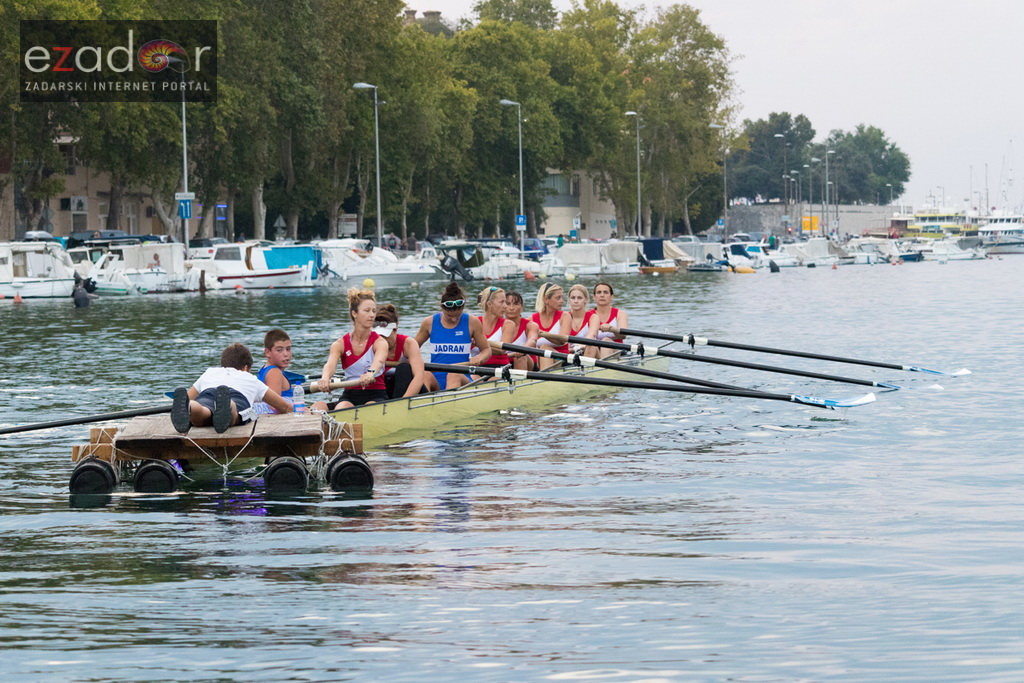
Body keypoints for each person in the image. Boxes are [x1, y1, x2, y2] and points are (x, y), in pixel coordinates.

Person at [171, 342, 293, 434]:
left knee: (203, 413)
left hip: (208, 394)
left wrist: (187, 402)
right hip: (237, 397)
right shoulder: (249, 378)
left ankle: (191, 407)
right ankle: (229, 405)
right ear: (246, 368)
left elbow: (188, 397)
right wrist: (306, 409)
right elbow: (283, 406)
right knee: (235, 415)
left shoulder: (210, 373)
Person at [312, 288, 390, 409]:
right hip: (350, 394)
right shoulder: (339, 344)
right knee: (340, 408)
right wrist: (325, 378)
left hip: (376, 394)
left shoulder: (380, 342)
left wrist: (370, 373)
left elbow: (379, 361)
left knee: (369, 410)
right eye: (367, 311)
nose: (372, 315)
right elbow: (330, 365)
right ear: (354, 313)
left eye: (374, 311)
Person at [414, 282, 492, 390]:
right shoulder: (429, 322)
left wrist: (479, 358)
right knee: (424, 374)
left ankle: (445, 402)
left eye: (458, 315)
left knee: (453, 373)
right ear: (442, 308)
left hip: (461, 377)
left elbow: (487, 350)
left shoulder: (472, 322)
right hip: (436, 379)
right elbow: (412, 348)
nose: (454, 319)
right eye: (449, 316)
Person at [374, 303, 433, 397]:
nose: (382, 340)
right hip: (384, 390)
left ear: (395, 329)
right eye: (379, 336)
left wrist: (401, 403)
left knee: (404, 368)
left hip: (408, 391)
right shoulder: (371, 344)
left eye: (385, 335)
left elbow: (419, 377)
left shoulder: (409, 344)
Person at [470, 285, 517, 379]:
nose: (506, 306)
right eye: (502, 302)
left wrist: (478, 343)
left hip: (500, 369)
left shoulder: (508, 324)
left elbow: (501, 350)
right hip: (476, 369)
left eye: (505, 302)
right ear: (489, 304)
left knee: (486, 383)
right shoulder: (473, 323)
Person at [253, 328, 297, 414]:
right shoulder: (274, 372)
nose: (286, 354)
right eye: (279, 350)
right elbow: (274, 407)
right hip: (277, 422)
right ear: (268, 352)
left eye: (288, 349)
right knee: (321, 405)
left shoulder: (264, 369)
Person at [530, 281, 569, 369]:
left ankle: (545, 379)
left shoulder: (565, 316)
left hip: (562, 359)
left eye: (562, 297)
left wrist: (543, 334)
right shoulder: (531, 320)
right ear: (546, 299)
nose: (562, 301)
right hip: (540, 360)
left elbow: (562, 341)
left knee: (545, 348)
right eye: (558, 298)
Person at [587, 281, 630, 359]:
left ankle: (603, 368)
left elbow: (623, 335)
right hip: (595, 350)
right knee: (591, 346)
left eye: (605, 292)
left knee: (606, 340)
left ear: (611, 297)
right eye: (599, 292)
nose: (602, 295)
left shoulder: (620, 314)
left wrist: (612, 329)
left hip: (616, 350)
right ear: (594, 297)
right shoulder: (588, 315)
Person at [503, 290, 540, 371]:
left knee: (519, 357)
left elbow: (532, 340)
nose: (511, 308)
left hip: (527, 363)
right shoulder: (498, 325)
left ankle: (520, 382)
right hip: (504, 364)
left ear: (522, 307)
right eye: (508, 304)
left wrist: (522, 349)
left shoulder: (530, 325)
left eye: (516, 304)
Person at [564, 284, 596, 356]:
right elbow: (564, 343)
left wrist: (577, 347)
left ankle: (587, 367)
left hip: (588, 352)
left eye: (579, 298)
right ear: (569, 300)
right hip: (570, 354)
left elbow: (590, 337)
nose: (576, 301)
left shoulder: (593, 317)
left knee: (591, 346)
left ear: (586, 300)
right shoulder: (564, 317)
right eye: (573, 298)